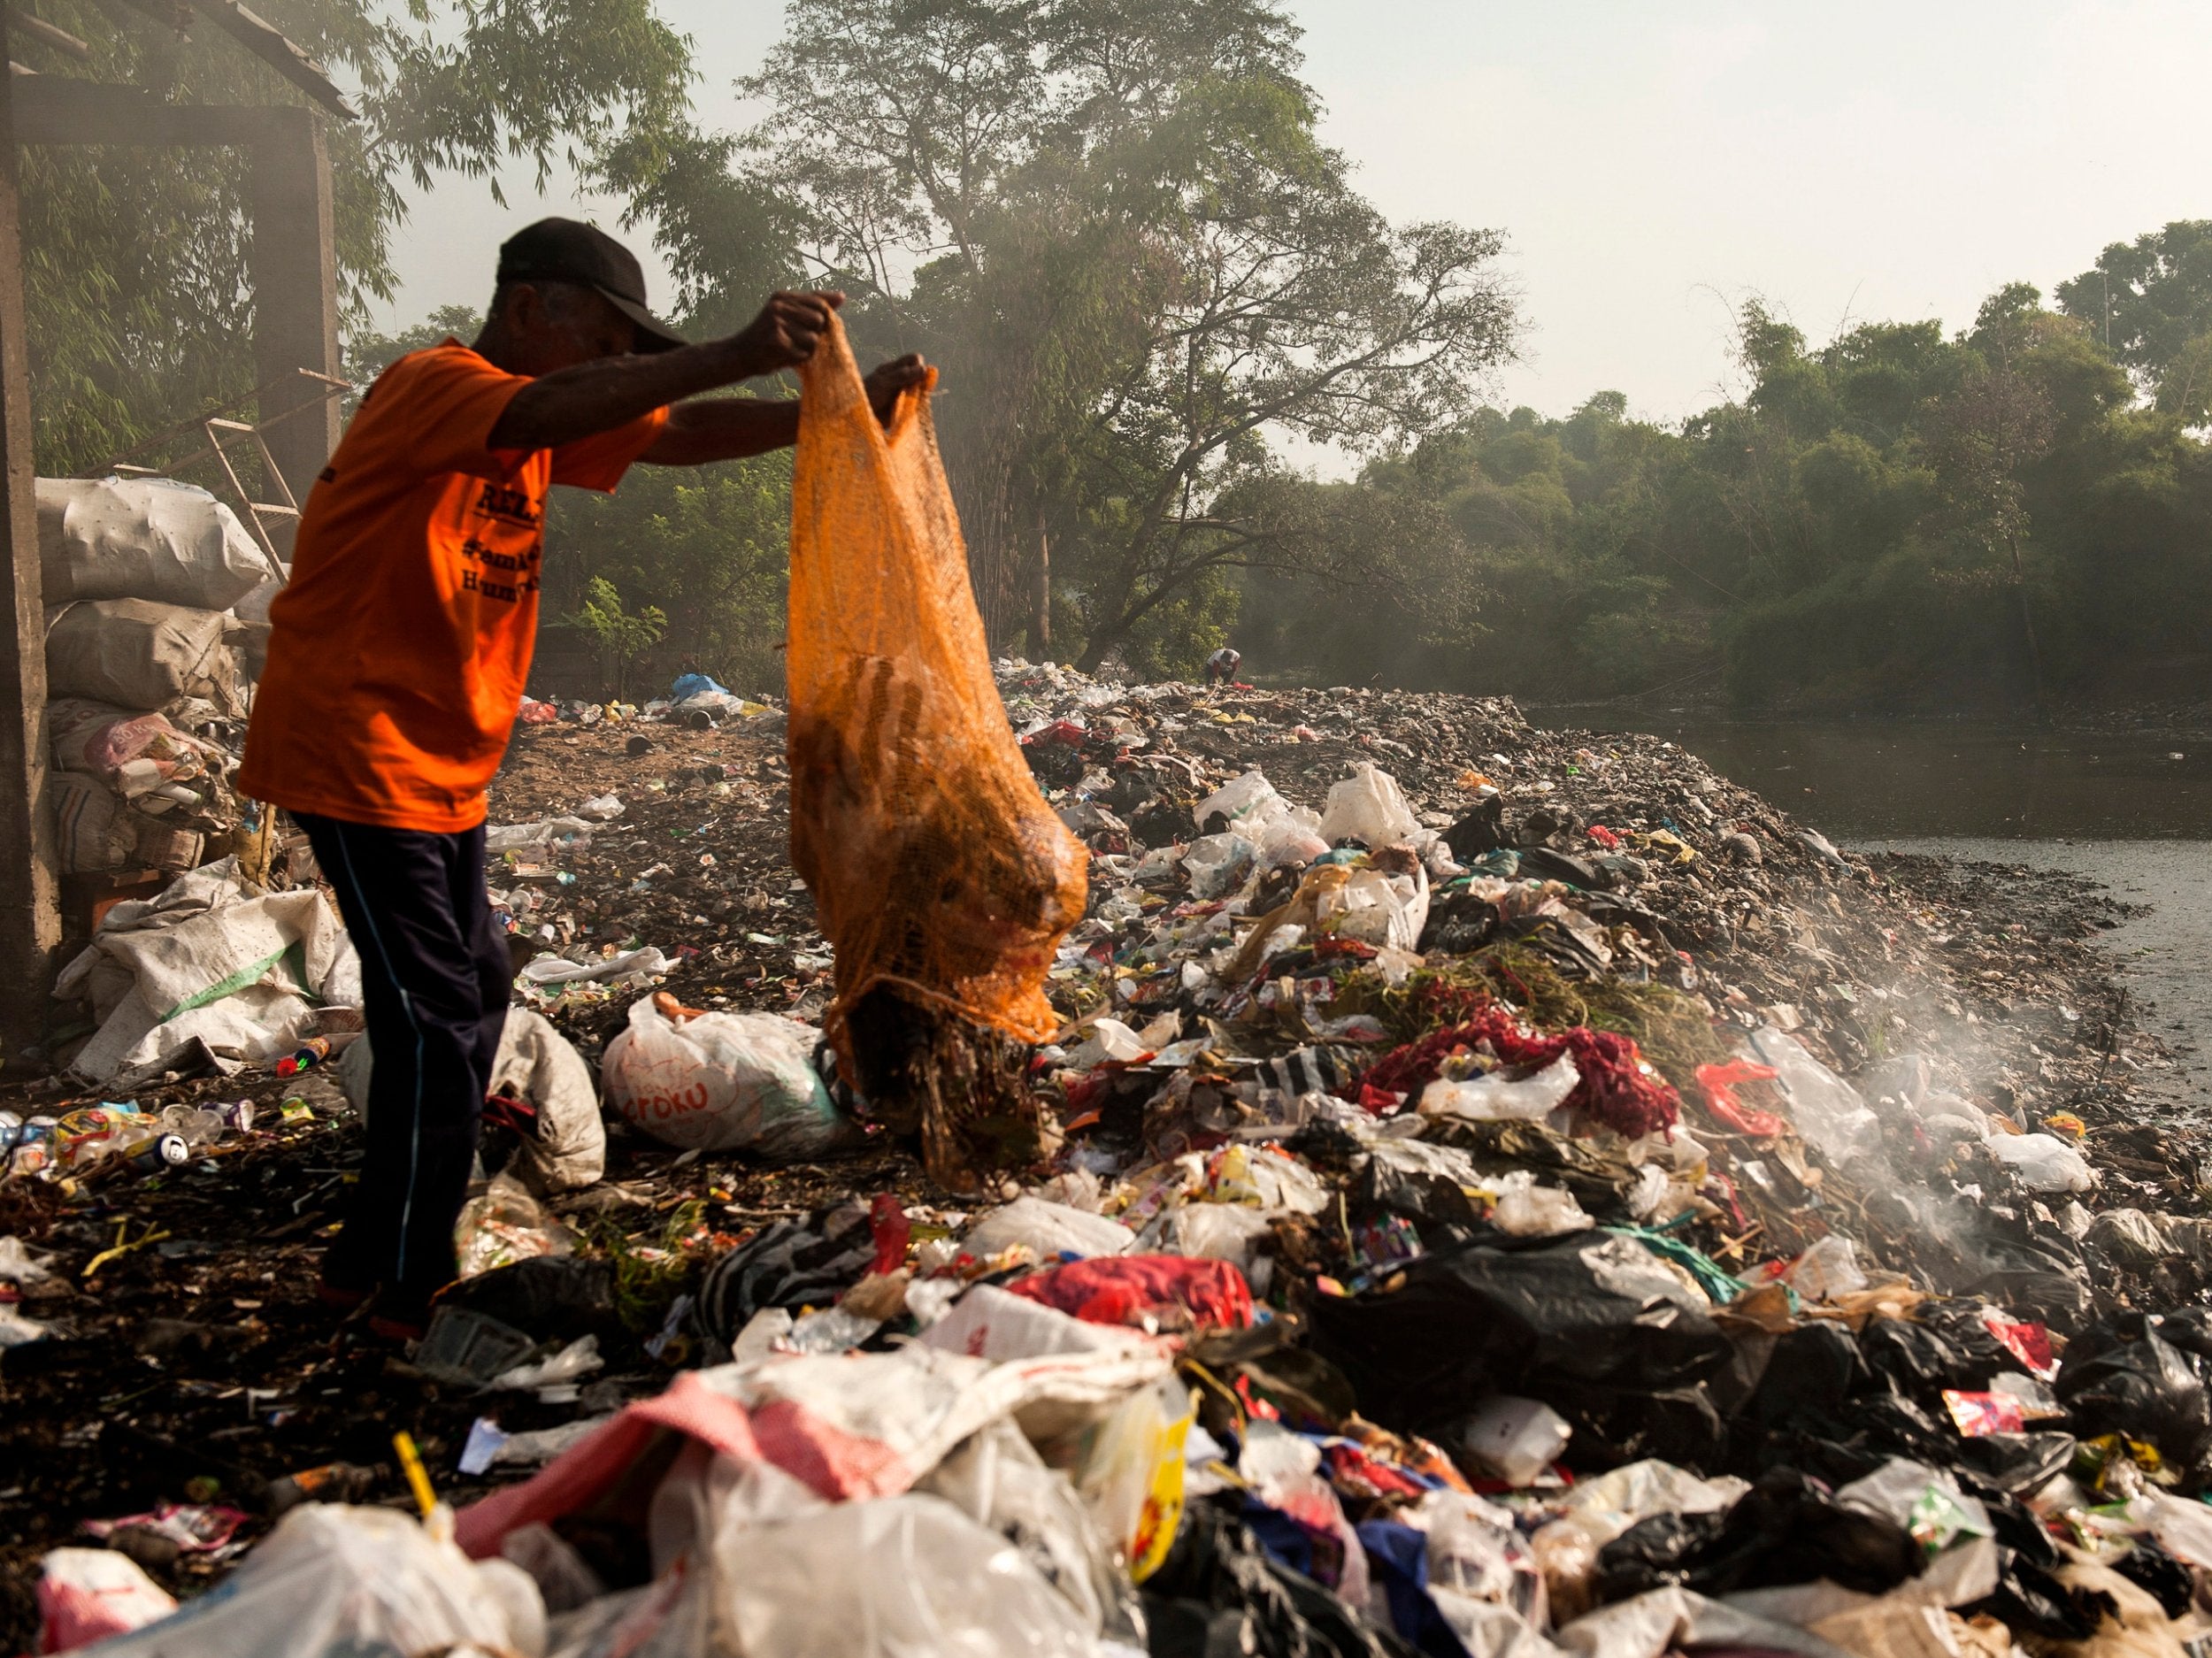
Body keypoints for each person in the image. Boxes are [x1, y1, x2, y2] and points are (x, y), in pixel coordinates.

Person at [237, 217, 926, 1339]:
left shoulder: (549, 418)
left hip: (442, 764)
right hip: (357, 748)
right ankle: (412, 1289)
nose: (616, 369)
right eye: (603, 341)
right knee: (433, 1022)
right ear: (528, 310)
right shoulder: (436, 385)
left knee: (478, 986)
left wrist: (835, 414)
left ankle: (361, 1262)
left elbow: (680, 427)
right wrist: (739, 346)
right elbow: (554, 408)